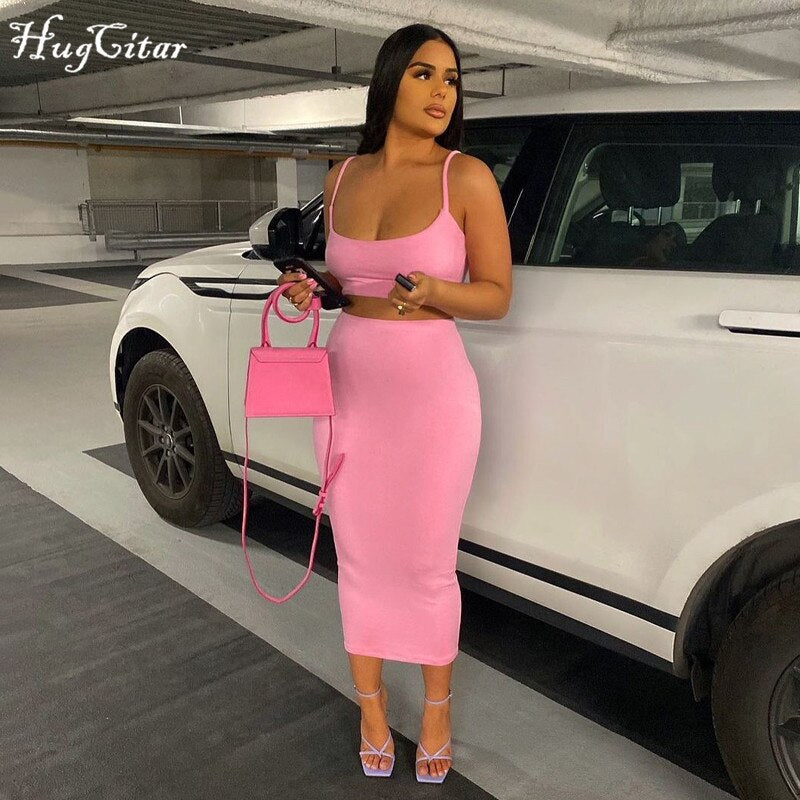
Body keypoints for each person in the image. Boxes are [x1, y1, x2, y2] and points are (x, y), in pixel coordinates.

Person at [277, 23, 511, 783]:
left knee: (427, 563)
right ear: (389, 82)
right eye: (424, 74)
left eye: (452, 79)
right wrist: (314, 287)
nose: (443, 91)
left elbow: (496, 296)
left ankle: (437, 710)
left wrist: (439, 290)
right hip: (350, 387)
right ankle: (372, 708)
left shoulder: (466, 177)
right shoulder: (341, 176)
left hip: (432, 395)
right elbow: (351, 282)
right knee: (358, 558)